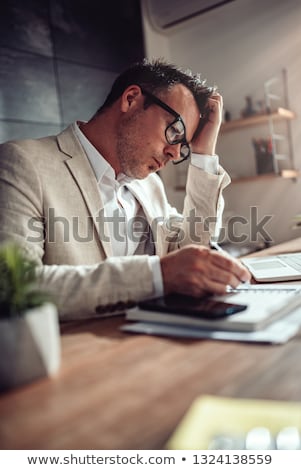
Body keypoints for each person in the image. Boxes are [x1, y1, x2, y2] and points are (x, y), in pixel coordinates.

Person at [0, 59, 250, 320]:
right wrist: (158, 275)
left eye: (183, 147)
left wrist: (202, 155)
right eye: (175, 131)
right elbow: (15, 285)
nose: (175, 154)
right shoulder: (23, 163)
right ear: (131, 99)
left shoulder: (149, 184)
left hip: (157, 340)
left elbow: (194, 249)